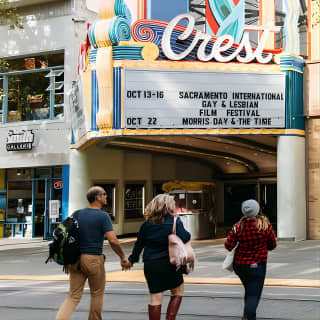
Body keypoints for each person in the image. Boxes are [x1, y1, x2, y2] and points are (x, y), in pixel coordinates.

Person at [56, 186, 130, 320]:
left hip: (75, 260)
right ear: (98, 197)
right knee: (96, 293)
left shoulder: (77, 214)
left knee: (73, 296)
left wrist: (66, 260)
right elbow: (113, 240)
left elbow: (67, 237)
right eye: (105, 194)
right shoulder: (103, 216)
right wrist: (122, 256)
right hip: (93, 259)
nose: (106, 197)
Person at [124, 194, 191, 320]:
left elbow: (139, 245)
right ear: (169, 206)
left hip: (151, 265)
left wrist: (131, 260)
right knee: (177, 291)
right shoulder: (174, 221)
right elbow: (186, 237)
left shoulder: (146, 224)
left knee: (155, 297)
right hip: (170, 264)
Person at [225, 199, 277, 320]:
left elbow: (228, 246)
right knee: (254, 294)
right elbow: (272, 245)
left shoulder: (237, 227)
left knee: (250, 290)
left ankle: (250, 316)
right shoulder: (264, 226)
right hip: (257, 265)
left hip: (240, 266)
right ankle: (247, 317)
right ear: (257, 210)